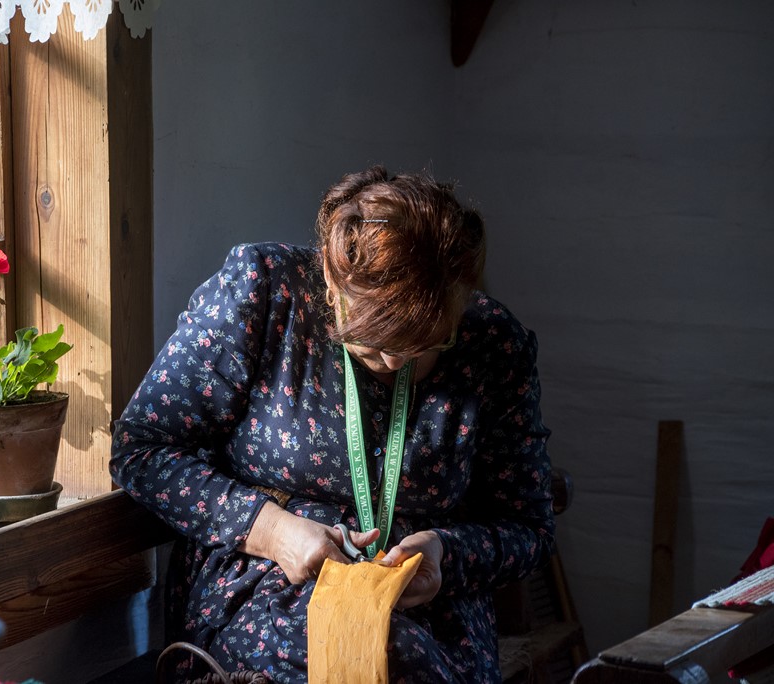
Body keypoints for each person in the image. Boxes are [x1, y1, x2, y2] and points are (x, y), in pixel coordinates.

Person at [111, 165, 555, 682]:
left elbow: (529, 526)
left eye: (429, 343)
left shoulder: (494, 343)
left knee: (398, 659)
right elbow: (140, 449)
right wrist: (273, 531)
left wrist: (445, 552)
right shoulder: (265, 290)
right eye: (372, 341)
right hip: (267, 581)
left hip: (427, 608)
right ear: (329, 274)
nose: (396, 363)